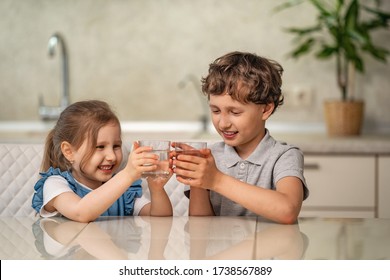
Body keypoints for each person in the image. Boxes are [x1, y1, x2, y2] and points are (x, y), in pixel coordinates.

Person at [173, 51, 309, 224]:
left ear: (265, 109)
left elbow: (287, 211)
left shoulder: (284, 156)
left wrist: (215, 180)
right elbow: (201, 227)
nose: (223, 123)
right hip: (221, 251)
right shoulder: (211, 157)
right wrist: (198, 179)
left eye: (234, 112)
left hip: (270, 249)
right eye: (215, 111)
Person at [32, 100, 173, 222]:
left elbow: (159, 220)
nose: (111, 156)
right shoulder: (56, 185)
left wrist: (157, 189)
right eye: (100, 147)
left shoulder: (125, 191)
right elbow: (80, 212)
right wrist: (128, 174)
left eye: (116, 146)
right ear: (69, 152)